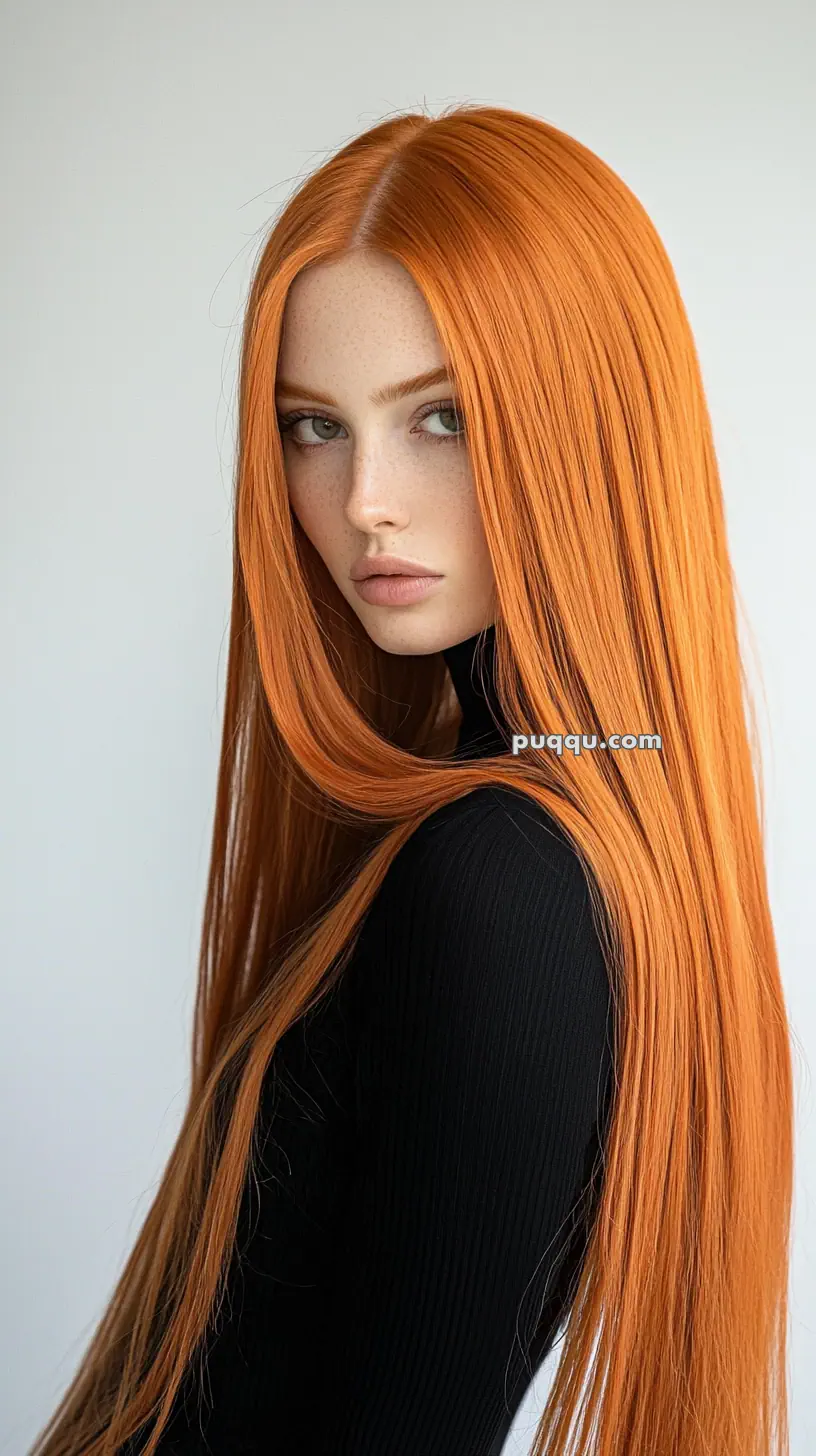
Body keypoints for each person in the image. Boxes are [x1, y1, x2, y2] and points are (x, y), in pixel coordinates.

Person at [31, 104, 794, 1456]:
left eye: (439, 415)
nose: (366, 497)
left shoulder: (501, 873)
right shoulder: (532, 832)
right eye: (314, 427)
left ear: (590, 428)